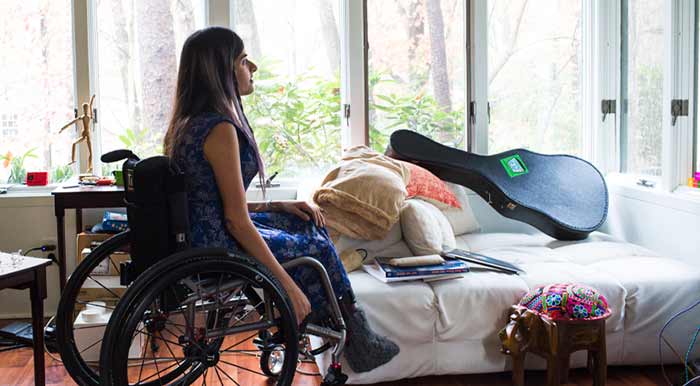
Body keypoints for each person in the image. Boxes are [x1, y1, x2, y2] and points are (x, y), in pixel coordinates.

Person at [163, 26, 399, 373]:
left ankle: (349, 326)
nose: (252, 67)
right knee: (312, 247)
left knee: (304, 220)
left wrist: (278, 206)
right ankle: (352, 335)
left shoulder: (186, 124)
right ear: (221, 70)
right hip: (216, 242)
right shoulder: (219, 129)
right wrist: (287, 285)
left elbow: (210, 200)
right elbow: (234, 220)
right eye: (243, 60)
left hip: (201, 233)